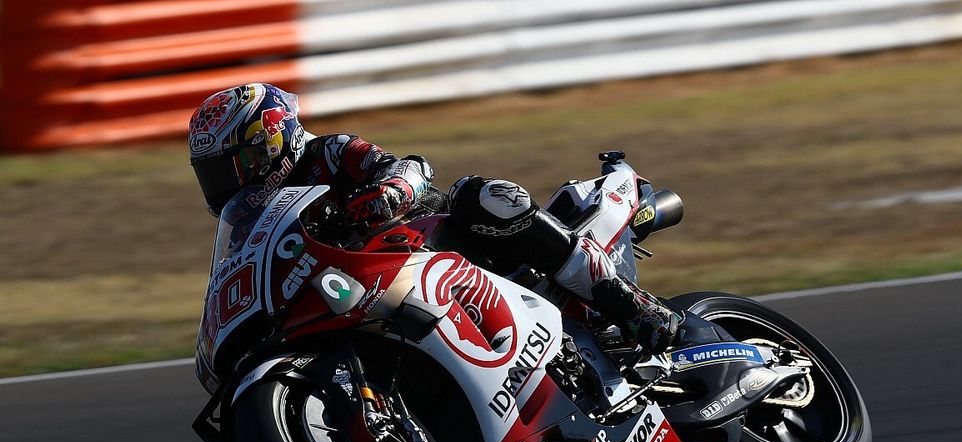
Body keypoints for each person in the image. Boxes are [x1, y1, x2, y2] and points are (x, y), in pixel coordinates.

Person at [188, 83, 681, 353]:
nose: (228, 184)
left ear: (271, 142)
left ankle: (631, 305)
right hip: (370, 284)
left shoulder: (329, 153)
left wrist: (388, 191)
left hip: (438, 238)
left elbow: (412, 168)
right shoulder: (255, 219)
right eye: (212, 176)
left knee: (480, 195)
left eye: (232, 167)